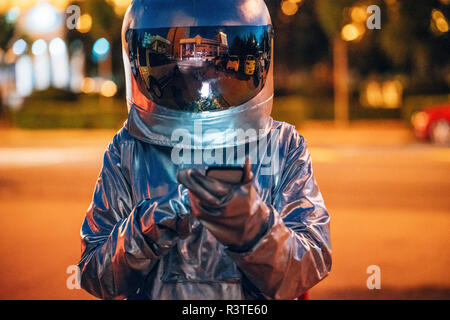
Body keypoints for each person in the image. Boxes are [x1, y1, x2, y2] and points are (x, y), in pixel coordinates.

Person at [78, 0, 331, 300]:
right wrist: (149, 225)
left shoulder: (283, 144)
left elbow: (310, 264)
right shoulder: (130, 148)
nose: (202, 79)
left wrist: (255, 228)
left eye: (214, 62)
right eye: (187, 62)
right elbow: (95, 273)